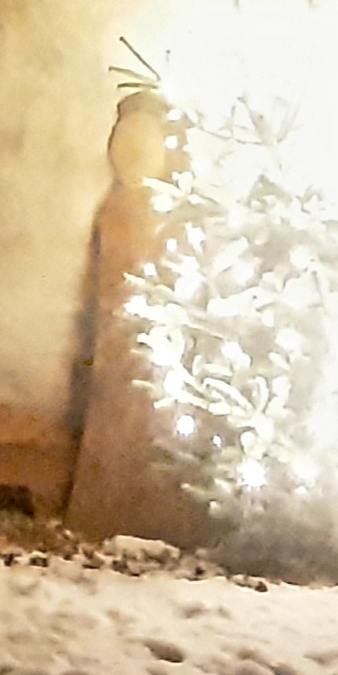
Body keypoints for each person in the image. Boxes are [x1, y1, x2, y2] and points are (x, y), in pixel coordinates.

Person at [66, 88, 205, 544]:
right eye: (122, 142)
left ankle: (157, 513)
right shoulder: (116, 209)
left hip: (159, 351)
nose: (128, 154)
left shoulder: (173, 216)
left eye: (141, 144)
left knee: (155, 428)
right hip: (116, 348)